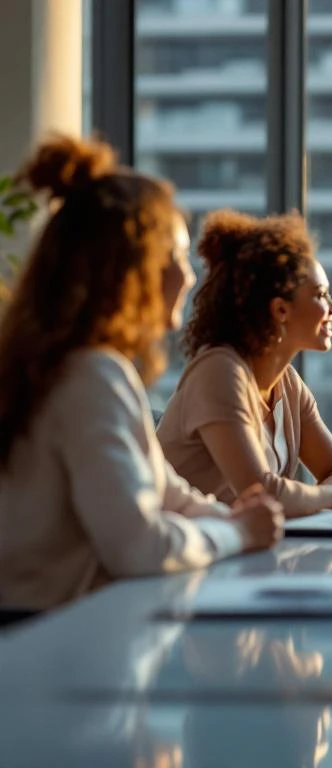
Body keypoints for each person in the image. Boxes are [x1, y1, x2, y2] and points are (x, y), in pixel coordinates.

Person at [0, 136, 282, 611]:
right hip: (50, 644)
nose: (189, 278)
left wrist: (239, 519)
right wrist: (236, 531)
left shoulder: (78, 365)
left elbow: (167, 492)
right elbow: (140, 547)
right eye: (175, 258)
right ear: (130, 271)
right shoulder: (89, 376)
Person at [157, 210, 332, 517]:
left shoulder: (286, 383)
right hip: (189, 553)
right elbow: (263, 493)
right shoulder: (218, 371)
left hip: (247, 552)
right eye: (320, 295)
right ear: (280, 310)